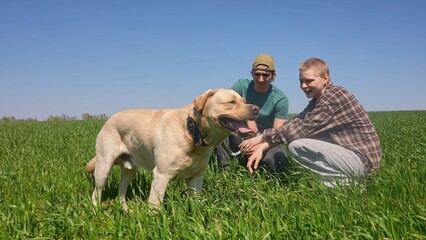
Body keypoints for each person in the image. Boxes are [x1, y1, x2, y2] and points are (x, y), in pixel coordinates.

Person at [240, 57, 382, 187]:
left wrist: (261, 138)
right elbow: (298, 121)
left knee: (297, 145)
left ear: (325, 78)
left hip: (362, 161)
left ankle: (348, 186)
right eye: (301, 81)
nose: (303, 86)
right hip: (350, 157)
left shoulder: (333, 98)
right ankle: (333, 183)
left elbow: (301, 128)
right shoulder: (319, 99)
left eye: (309, 81)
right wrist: (264, 145)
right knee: (298, 140)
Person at [215, 53, 290, 172]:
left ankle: (260, 171)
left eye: (266, 75)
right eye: (257, 74)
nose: (261, 79)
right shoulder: (241, 86)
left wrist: (260, 145)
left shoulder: (280, 99)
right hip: (241, 133)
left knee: (277, 161)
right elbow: (226, 108)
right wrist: (249, 119)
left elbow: (278, 133)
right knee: (220, 125)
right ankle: (225, 169)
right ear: (252, 73)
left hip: (267, 141)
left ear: (273, 75)